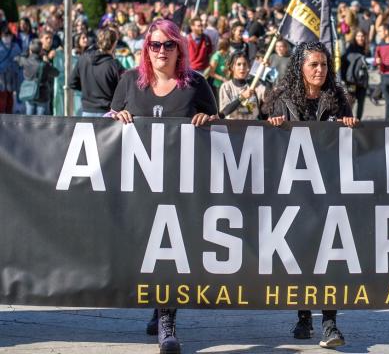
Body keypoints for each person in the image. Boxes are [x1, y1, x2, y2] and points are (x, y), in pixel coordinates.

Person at [110, 18, 217, 354]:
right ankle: (158, 308)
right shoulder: (129, 81)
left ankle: (168, 323)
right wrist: (115, 119)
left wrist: (207, 120)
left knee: (170, 250)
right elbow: (105, 125)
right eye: (154, 44)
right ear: (146, 48)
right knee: (146, 251)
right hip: (140, 185)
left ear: (178, 48)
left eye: (168, 44)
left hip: (179, 185)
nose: (161, 51)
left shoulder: (195, 84)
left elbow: (219, 126)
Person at [265, 41, 356, 349]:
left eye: (324, 65)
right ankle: (303, 315)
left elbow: (352, 139)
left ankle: (329, 324)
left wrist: (350, 125)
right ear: (300, 68)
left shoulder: (337, 98)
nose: (320, 70)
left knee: (327, 256)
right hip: (294, 188)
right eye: (313, 65)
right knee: (300, 254)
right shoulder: (281, 97)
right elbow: (262, 138)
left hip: (328, 188)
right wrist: (273, 124)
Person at [69, 27, 125, 117]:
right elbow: (124, 90)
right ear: (114, 44)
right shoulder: (115, 65)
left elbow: (72, 83)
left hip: (87, 111)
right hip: (107, 113)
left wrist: (86, 89)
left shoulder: (83, 59)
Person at [15, 39, 58, 115]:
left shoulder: (25, 61)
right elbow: (56, 73)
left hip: (28, 92)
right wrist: (47, 60)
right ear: (41, 51)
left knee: (29, 116)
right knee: (41, 121)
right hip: (42, 94)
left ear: (30, 50)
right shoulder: (44, 65)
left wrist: (27, 53)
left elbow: (17, 58)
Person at [218, 51, 266, 119]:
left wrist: (265, 71)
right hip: (233, 127)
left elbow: (268, 98)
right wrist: (242, 97)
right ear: (232, 67)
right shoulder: (226, 87)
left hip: (252, 127)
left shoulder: (254, 84)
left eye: (244, 64)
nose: (242, 67)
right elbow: (224, 112)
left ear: (248, 67)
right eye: (238, 64)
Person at [342, 28, 370, 120]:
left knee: (361, 103)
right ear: (355, 37)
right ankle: (348, 120)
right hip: (351, 80)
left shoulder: (367, 49)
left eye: (362, 36)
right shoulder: (351, 48)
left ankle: (358, 120)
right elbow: (346, 60)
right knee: (350, 101)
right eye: (358, 36)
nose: (360, 38)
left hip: (362, 81)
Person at [0, 24, 21, 113]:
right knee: (2, 96)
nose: (7, 37)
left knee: (10, 96)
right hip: (1, 76)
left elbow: (20, 59)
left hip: (12, 75)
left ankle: (9, 116)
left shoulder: (15, 46)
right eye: (5, 35)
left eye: (9, 35)